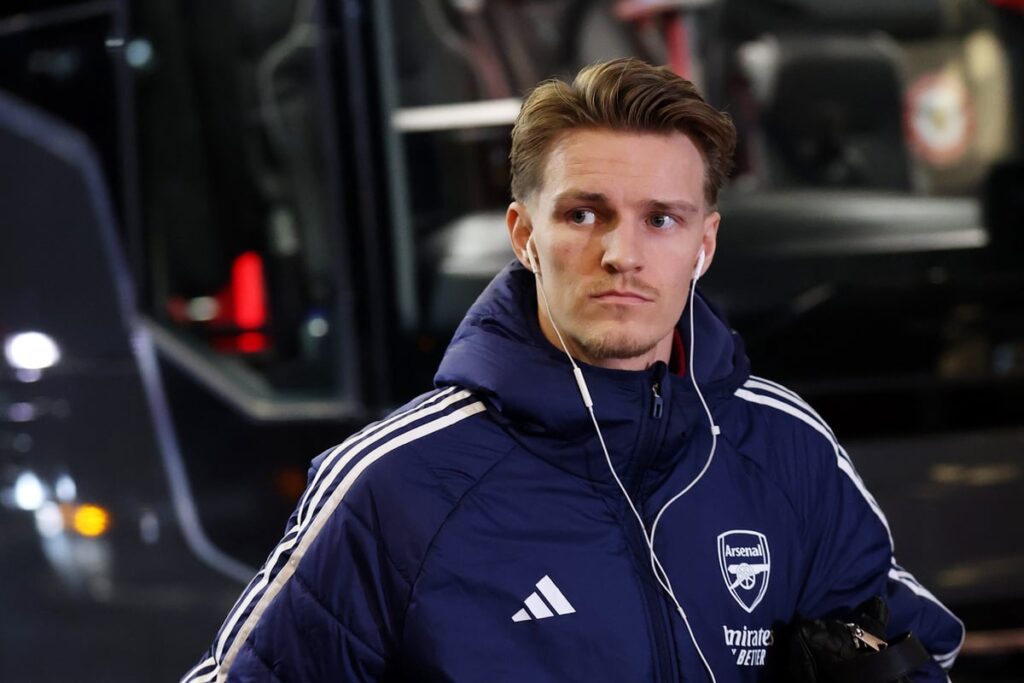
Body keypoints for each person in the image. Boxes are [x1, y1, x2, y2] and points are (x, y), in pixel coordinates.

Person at [182, 58, 963, 682]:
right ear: (524, 234)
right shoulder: (397, 488)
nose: (621, 253)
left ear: (705, 244)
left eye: (661, 219)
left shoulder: (785, 447)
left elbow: (906, 642)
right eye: (584, 213)